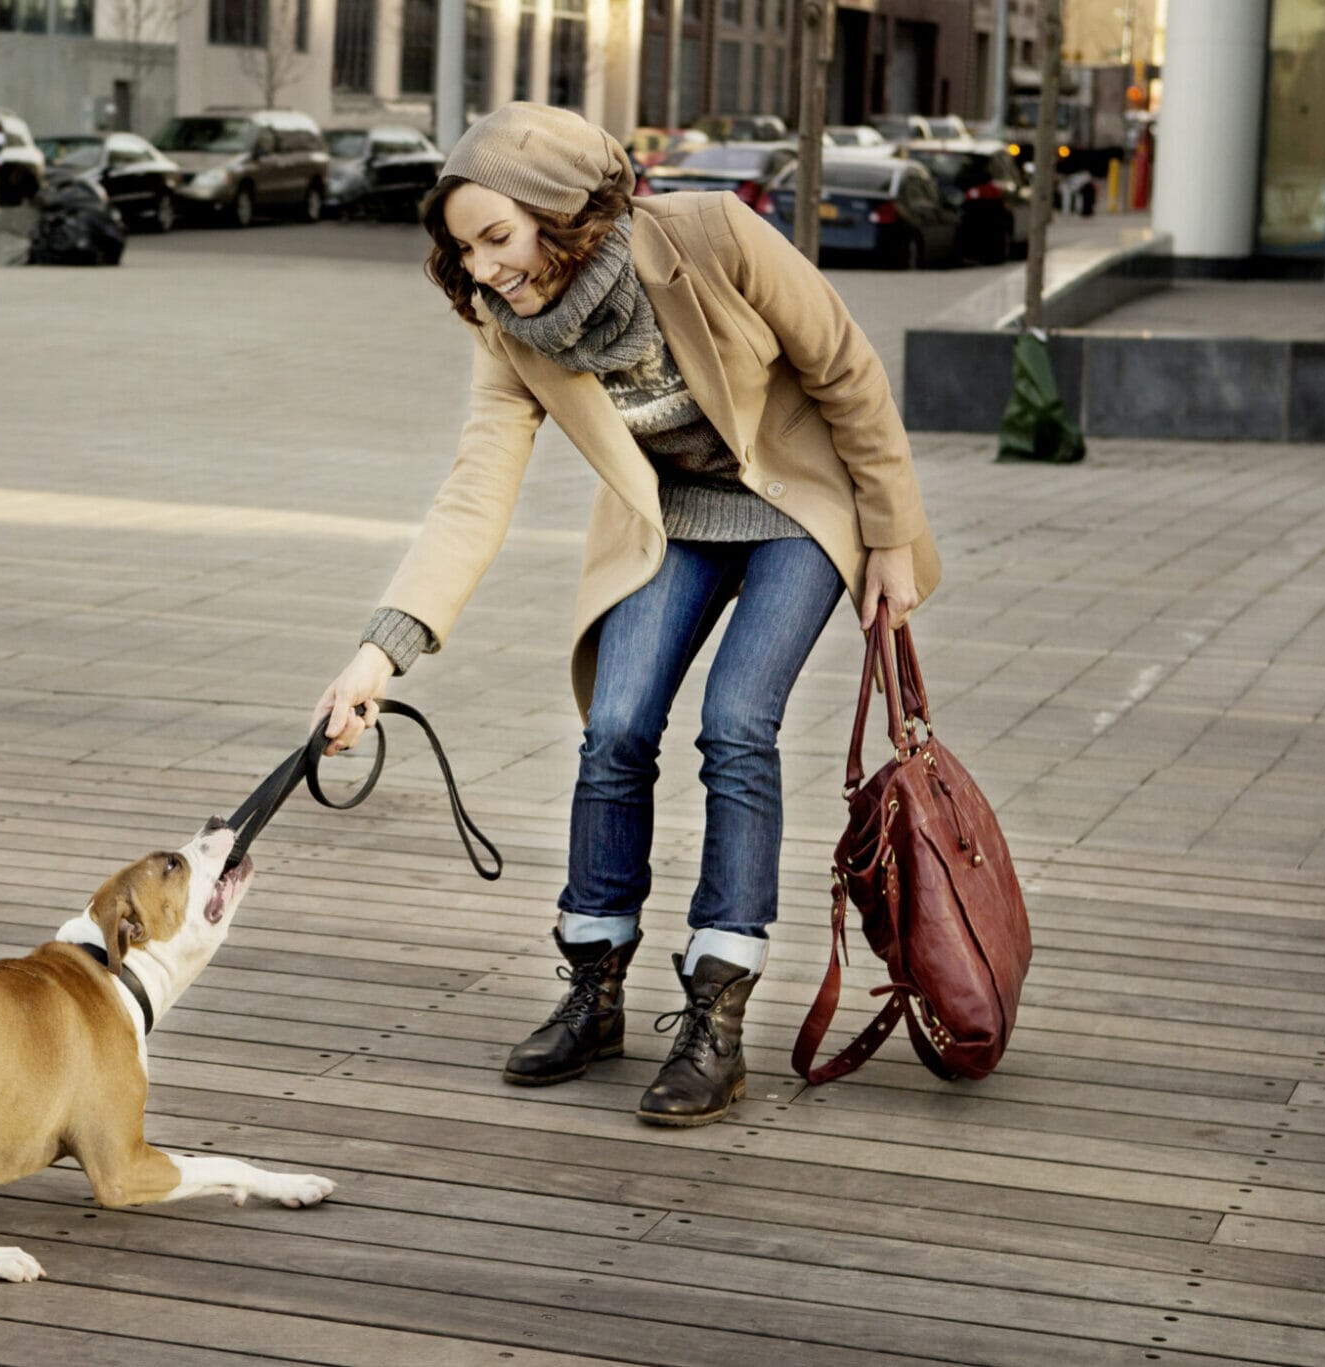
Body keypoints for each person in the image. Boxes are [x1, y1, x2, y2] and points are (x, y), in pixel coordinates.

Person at [313, 103, 940, 1128]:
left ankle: (715, 1017)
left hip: (797, 502)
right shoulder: (506, 325)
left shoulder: (711, 236)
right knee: (613, 726)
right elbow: (476, 486)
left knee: (736, 723)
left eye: (496, 238)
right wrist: (380, 654)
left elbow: (844, 370)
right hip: (671, 518)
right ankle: (594, 988)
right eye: (462, 249)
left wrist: (887, 538)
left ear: (560, 211)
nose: (478, 270)